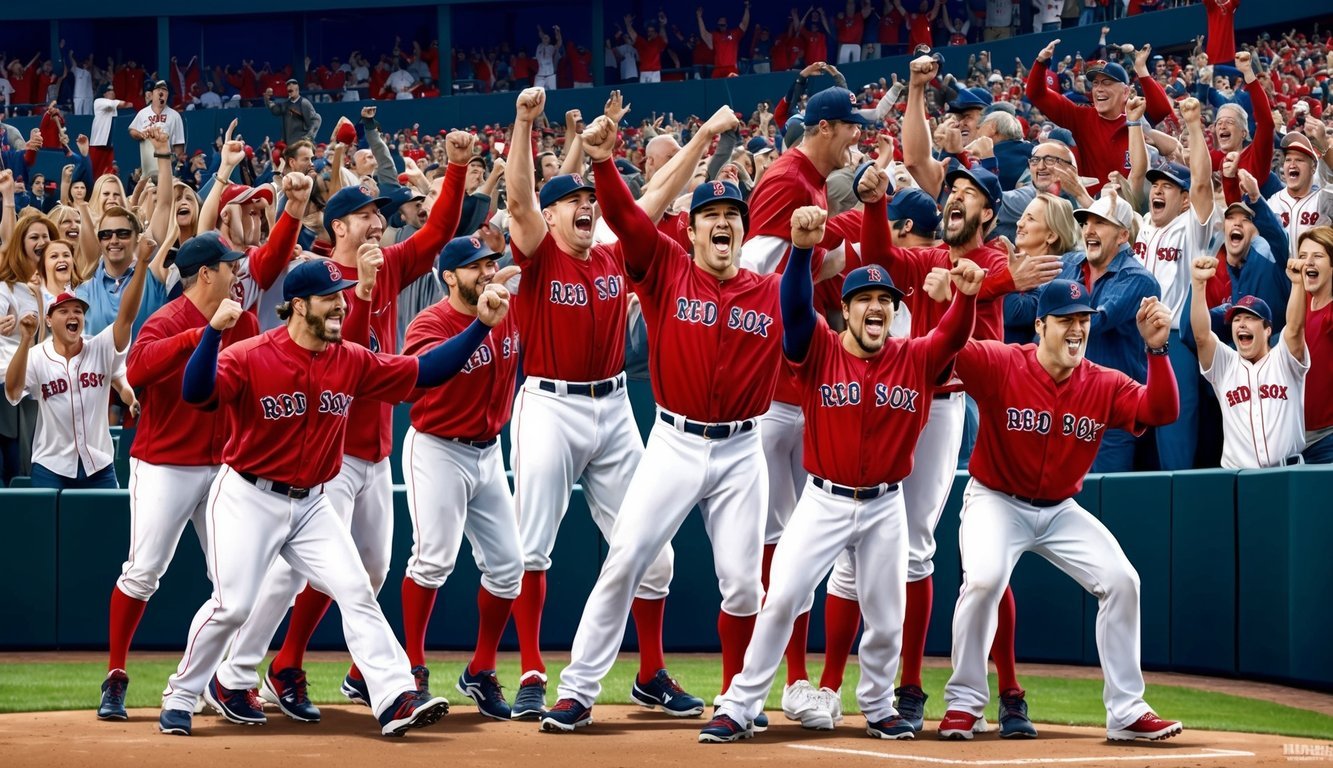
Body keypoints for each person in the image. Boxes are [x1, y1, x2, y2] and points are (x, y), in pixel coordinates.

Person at [159, 256, 510, 737]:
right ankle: (182, 692)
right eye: (330, 297)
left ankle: (393, 696)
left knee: (356, 589)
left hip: (312, 504)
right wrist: (212, 335)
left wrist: (480, 330)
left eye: (343, 295)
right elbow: (196, 393)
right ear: (298, 306)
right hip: (247, 496)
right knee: (233, 605)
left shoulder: (350, 358)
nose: (342, 304)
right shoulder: (252, 355)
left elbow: (425, 371)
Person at [539, 115, 789, 734]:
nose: (724, 221)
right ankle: (576, 691)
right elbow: (626, 221)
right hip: (674, 442)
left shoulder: (769, 291)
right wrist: (601, 164)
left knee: (742, 586)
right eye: (712, 214)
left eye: (733, 213)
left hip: (741, 448)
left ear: (743, 229)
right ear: (694, 228)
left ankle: (737, 701)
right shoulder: (667, 268)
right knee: (624, 561)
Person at [210, 133, 470, 723]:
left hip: (374, 448)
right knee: (293, 577)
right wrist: (365, 296)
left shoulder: (392, 262)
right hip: (324, 455)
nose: (377, 223)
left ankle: (275, 669)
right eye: (364, 215)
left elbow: (434, 236)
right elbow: (337, 365)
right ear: (339, 228)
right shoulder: (320, 280)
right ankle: (267, 668)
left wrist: (454, 170)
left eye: (378, 213)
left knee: (370, 570)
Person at [699, 230, 983, 743]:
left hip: (885, 506)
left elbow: (953, 338)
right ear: (847, 310)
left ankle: (877, 704)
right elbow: (794, 306)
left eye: (886, 301)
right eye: (865, 300)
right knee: (782, 598)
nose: (877, 308)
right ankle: (740, 704)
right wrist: (803, 251)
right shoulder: (820, 350)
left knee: (886, 617)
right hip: (823, 500)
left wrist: (965, 297)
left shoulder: (913, 358)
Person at [503, 87, 689, 721]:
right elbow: (520, 197)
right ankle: (530, 666)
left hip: (613, 409)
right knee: (532, 547)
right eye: (573, 202)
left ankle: (652, 671)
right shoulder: (537, 252)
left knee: (656, 554)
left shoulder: (611, 252)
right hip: (549, 406)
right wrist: (525, 123)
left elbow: (658, 193)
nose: (585, 206)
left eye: (589, 200)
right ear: (553, 218)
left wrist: (703, 141)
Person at [938, 280, 1182, 742]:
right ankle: (966, 703)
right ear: (1039, 325)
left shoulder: (1101, 381)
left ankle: (1127, 711)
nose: (1078, 329)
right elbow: (950, 348)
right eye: (1067, 319)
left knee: (1122, 580)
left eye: (1084, 319)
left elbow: (1160, 410)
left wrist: (1158, 349)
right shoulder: (1003, 361)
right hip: (994, 500)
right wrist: (959, 299)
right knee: (984, 579)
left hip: (1058, 510)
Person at [96, 231, 260, 721]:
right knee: (143, 571)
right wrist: (203, 333)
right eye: (230, 266)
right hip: (165, 463)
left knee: (234, 584)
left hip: (224, 467)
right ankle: (116, 676)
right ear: (206, 273)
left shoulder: (245, 319)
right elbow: (137, 370)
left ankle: (220, 681)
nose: (238, 273)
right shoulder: (167, 319)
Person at [399, 237, 522, 719]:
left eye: (491, 263)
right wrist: (480, 323)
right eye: (475, 267)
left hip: (488, 452)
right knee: (433, 561)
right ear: (449, 276)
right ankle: (411, 668)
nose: (487, 273)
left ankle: (480, 670)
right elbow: (422, 376)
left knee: (509, 568)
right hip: (438, 448)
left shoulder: (508, 310)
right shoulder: (430, 322)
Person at [4, 232, 148, 489]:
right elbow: (13, 392)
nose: (73, 315)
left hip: (99, 465)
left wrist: (143, 266)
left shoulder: (99, 347)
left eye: (78, 311)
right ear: (49, 320)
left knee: (107, 528)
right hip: (51, 466)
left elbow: (126, 317)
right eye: (64, 311)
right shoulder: (37, 355)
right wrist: (25, 340)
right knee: (45, 529)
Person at [1127, 96, 1218, 470]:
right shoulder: (1145, 224)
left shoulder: (1191, 227)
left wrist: (1194, 126)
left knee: (1174, 444)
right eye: (1157, 185)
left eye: (1169, 186)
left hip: (1175, 343)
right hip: (1133, 341)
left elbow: (1201, 184)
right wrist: (1134, 123)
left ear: (1183, 200)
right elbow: (1136, 178)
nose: (1159, 190)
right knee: (1130, 439)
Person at [1191, 253, 1308, 469]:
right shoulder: (1225, 364)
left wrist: (1298, 284)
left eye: (1250, 318)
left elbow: (1294, 328)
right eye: (1236, 319)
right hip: (1239, 479)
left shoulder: (1284, 358)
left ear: (1268, 330)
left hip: (1288, 474)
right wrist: (1198, 286)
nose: (1241, 324)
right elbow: (1201, 335)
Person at [1297, 227, 1333, 463]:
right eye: (1302, 256)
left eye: (1317, 256)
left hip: (1327, 438)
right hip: (1295, 439)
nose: (1308, 262)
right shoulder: (1301, 302)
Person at [128, 81, 184, 179]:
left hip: (167, 169)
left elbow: (179, 149)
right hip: (146, 168)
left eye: (164, 90)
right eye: (158, 90)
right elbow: (132, 130)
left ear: (168, 95)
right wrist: (141, 135)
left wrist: (170, 161)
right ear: (152, 94)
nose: (160, 93)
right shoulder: (143, 113)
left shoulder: (175, 116)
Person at [698, 2, 751, 78]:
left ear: (726, 24)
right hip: (718, 70)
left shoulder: (734, 34)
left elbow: (744, 23)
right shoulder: (715, 35)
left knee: (733, 86)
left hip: (731, 69)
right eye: (720, 25)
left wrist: (747, 8)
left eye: (723, 25)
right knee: (715, 88)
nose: (721, 26)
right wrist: (699, 18)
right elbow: (704, 34)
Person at [265, 78, 322, 146]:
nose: (290, 88)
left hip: (302, 143)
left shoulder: (304, 103)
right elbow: (276, 111)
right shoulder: (286, 104)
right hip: (289, 143)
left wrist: (309, 136)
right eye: (288, 88)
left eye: (292, 87)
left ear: (297, 89)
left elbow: (316, 119)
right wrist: (268, 99)